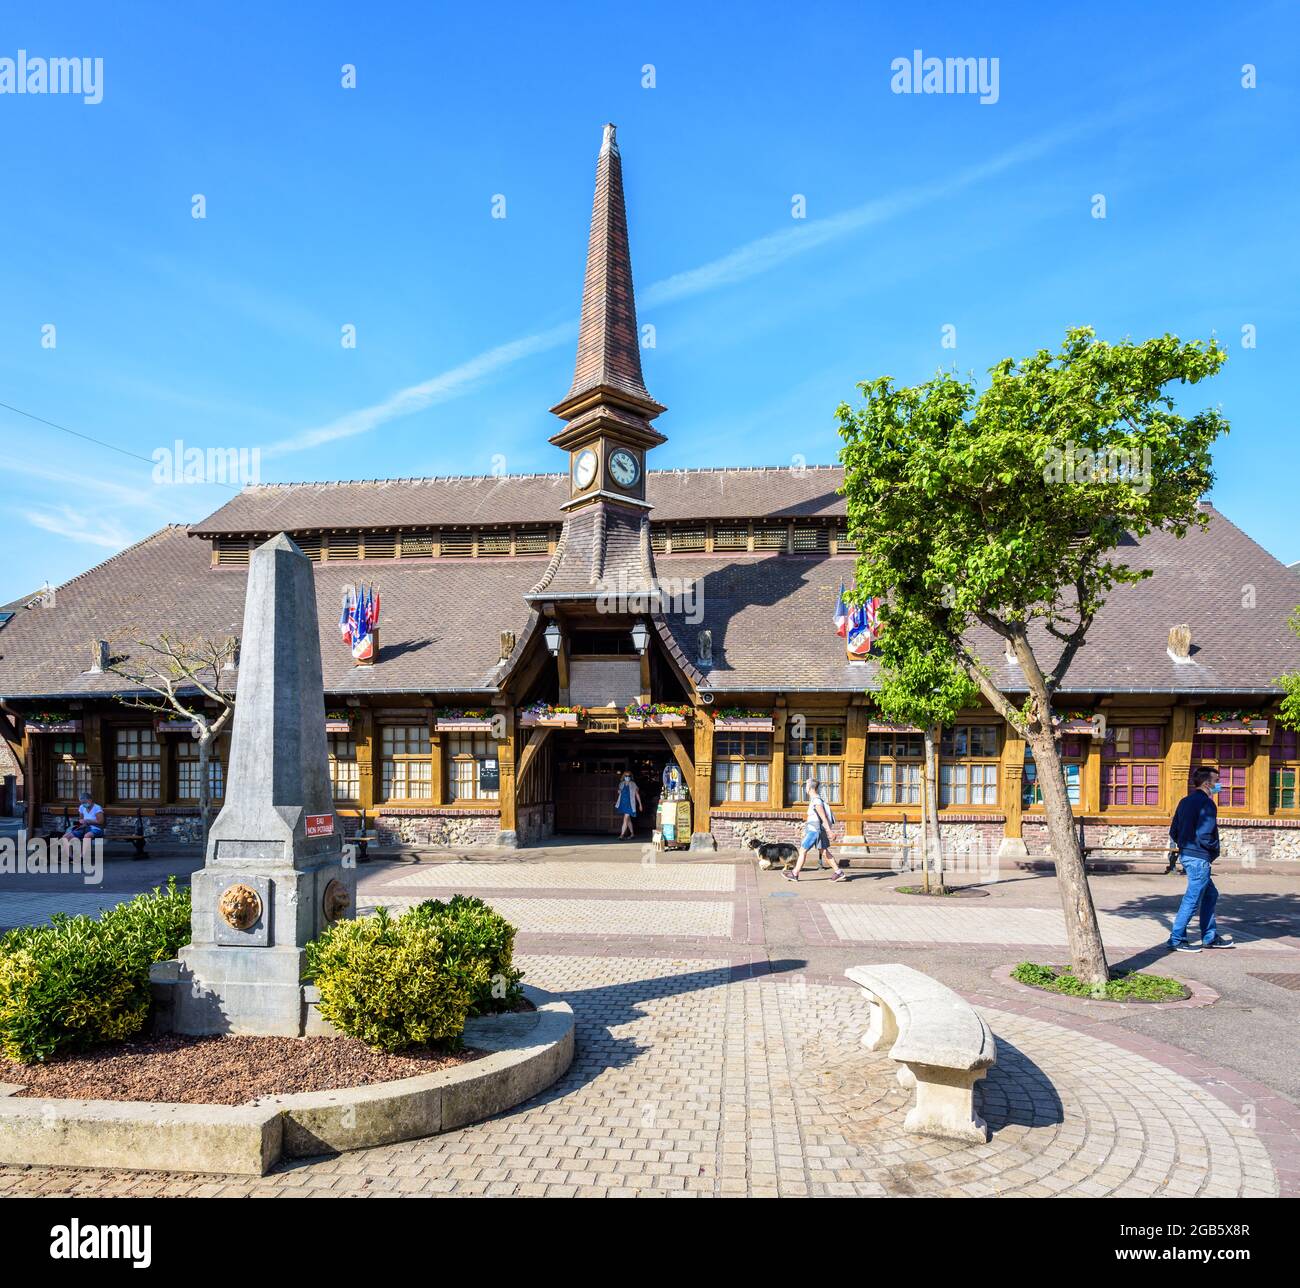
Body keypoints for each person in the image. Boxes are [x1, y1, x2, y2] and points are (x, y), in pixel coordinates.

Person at [1167, 766, 1233, 952]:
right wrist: (1213, 849)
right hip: (1199, 857)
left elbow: (1173, 830)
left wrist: (1185, 845)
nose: (1219, 784)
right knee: (1193, 898)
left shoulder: (1185, 801)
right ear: (1207, 783)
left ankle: (1209, 936)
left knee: (1211, 894)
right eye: (1216, 780)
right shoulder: (1207, 804)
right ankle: (1177, 939)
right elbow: (1205, 834)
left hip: (1188, 854)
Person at [786, 777, 844, 882]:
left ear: (809, 788)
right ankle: (838, 872)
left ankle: (795, 873)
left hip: (815, 831)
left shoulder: (817, 801)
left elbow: (823, 818)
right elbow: (815, 817)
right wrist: (804, 826)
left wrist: (830, 832)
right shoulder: (815, 800)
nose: (805, 788)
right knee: (824, 851)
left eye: (806, 785)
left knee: (803, 850)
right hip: (815, 830)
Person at [615, 770, 642, 839]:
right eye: (626, 776)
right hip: (623, 803)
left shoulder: (633, 784)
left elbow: (637, 794)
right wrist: (619, 791)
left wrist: (640, 804)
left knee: (625, 818)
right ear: (624, 776)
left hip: (630, 804)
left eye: (629, 776)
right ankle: (632, 834)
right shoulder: (621, 784)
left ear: (631, 777)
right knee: (628, 819)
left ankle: (622, 835)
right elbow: (619, 792)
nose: (627, 777)